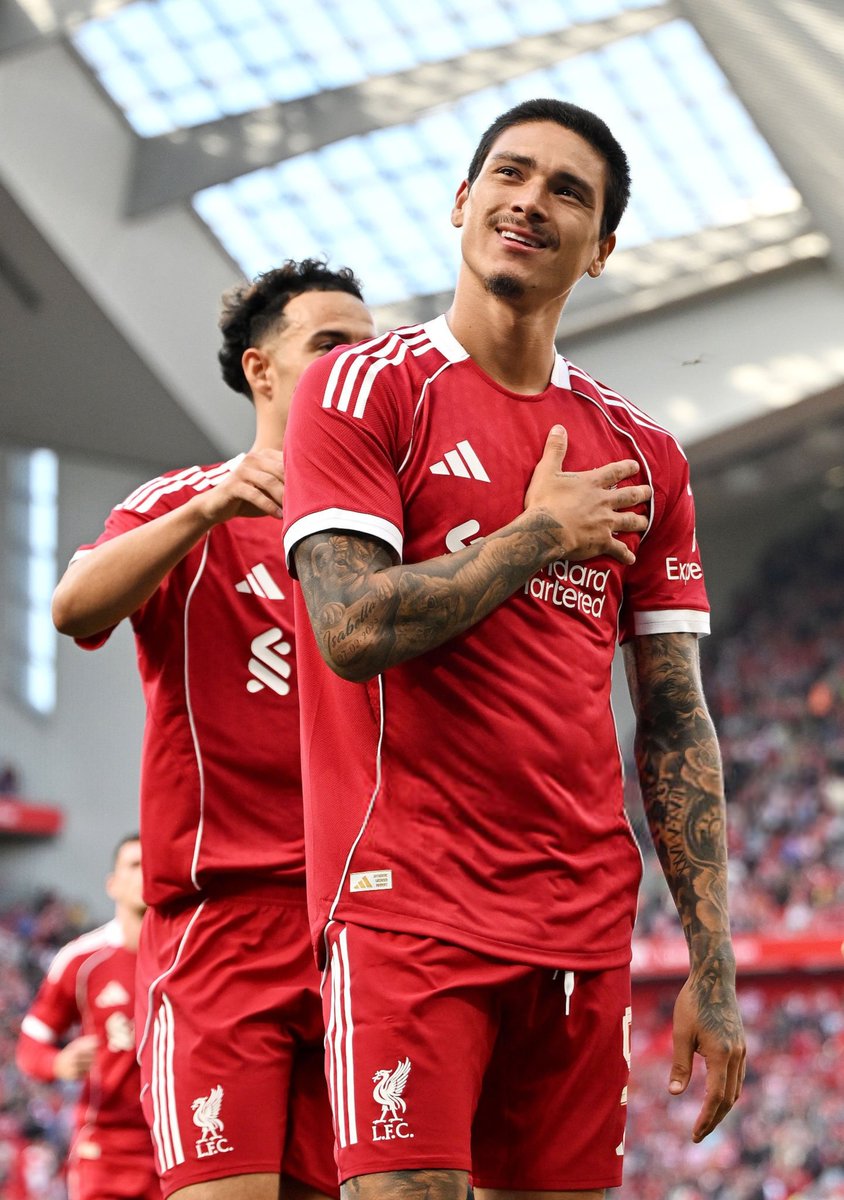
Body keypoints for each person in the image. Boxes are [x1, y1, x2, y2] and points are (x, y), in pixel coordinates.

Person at [281, 99, 746, 1200]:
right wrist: (540, 534)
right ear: (463, 201)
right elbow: (351, 630)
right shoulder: (361, 389)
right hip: (406, 909)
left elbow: (674, 717)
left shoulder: (642, 456)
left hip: (580, 927)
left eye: (566, 191)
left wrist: (713, 962)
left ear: (603, 248)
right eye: (510, 173)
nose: (530, 201)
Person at [51, 261, 376, 1200]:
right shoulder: (189, 503)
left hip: (363, 922)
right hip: (222, 926)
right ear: (261, 369)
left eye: (370, 351)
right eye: (330, 345)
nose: (357, 367)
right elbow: (74, 608)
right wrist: (211, 507)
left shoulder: (395, 524)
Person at [16, 834, 159, 1200]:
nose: (145, 873)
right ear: (112, 884)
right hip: (108, 1150)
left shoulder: (190, 960)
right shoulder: (83, 960)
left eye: (152, 864)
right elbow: (30, 1044)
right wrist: (57, 1063)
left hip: (179, 1143)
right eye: (134, 865)